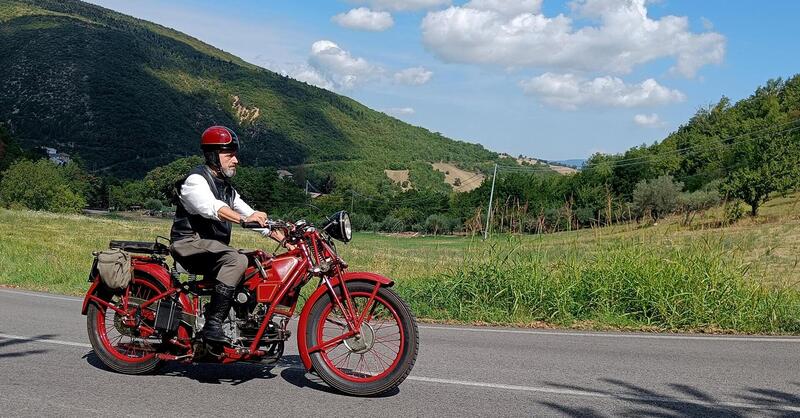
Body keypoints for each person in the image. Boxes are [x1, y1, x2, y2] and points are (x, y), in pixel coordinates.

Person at [169, 125, 287, 344]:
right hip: (188, 243)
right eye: (229, 155)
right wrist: (242, 219)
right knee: (236, 260)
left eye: (235, 155)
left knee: (260, 261)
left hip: (211, 246)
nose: (236, 160)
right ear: (213, 155)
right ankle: (213, 325)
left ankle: (246, 321)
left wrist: (285, 240)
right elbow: (212, 208)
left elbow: (251, 215)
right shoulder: (196, 181)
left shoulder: (227, 189)